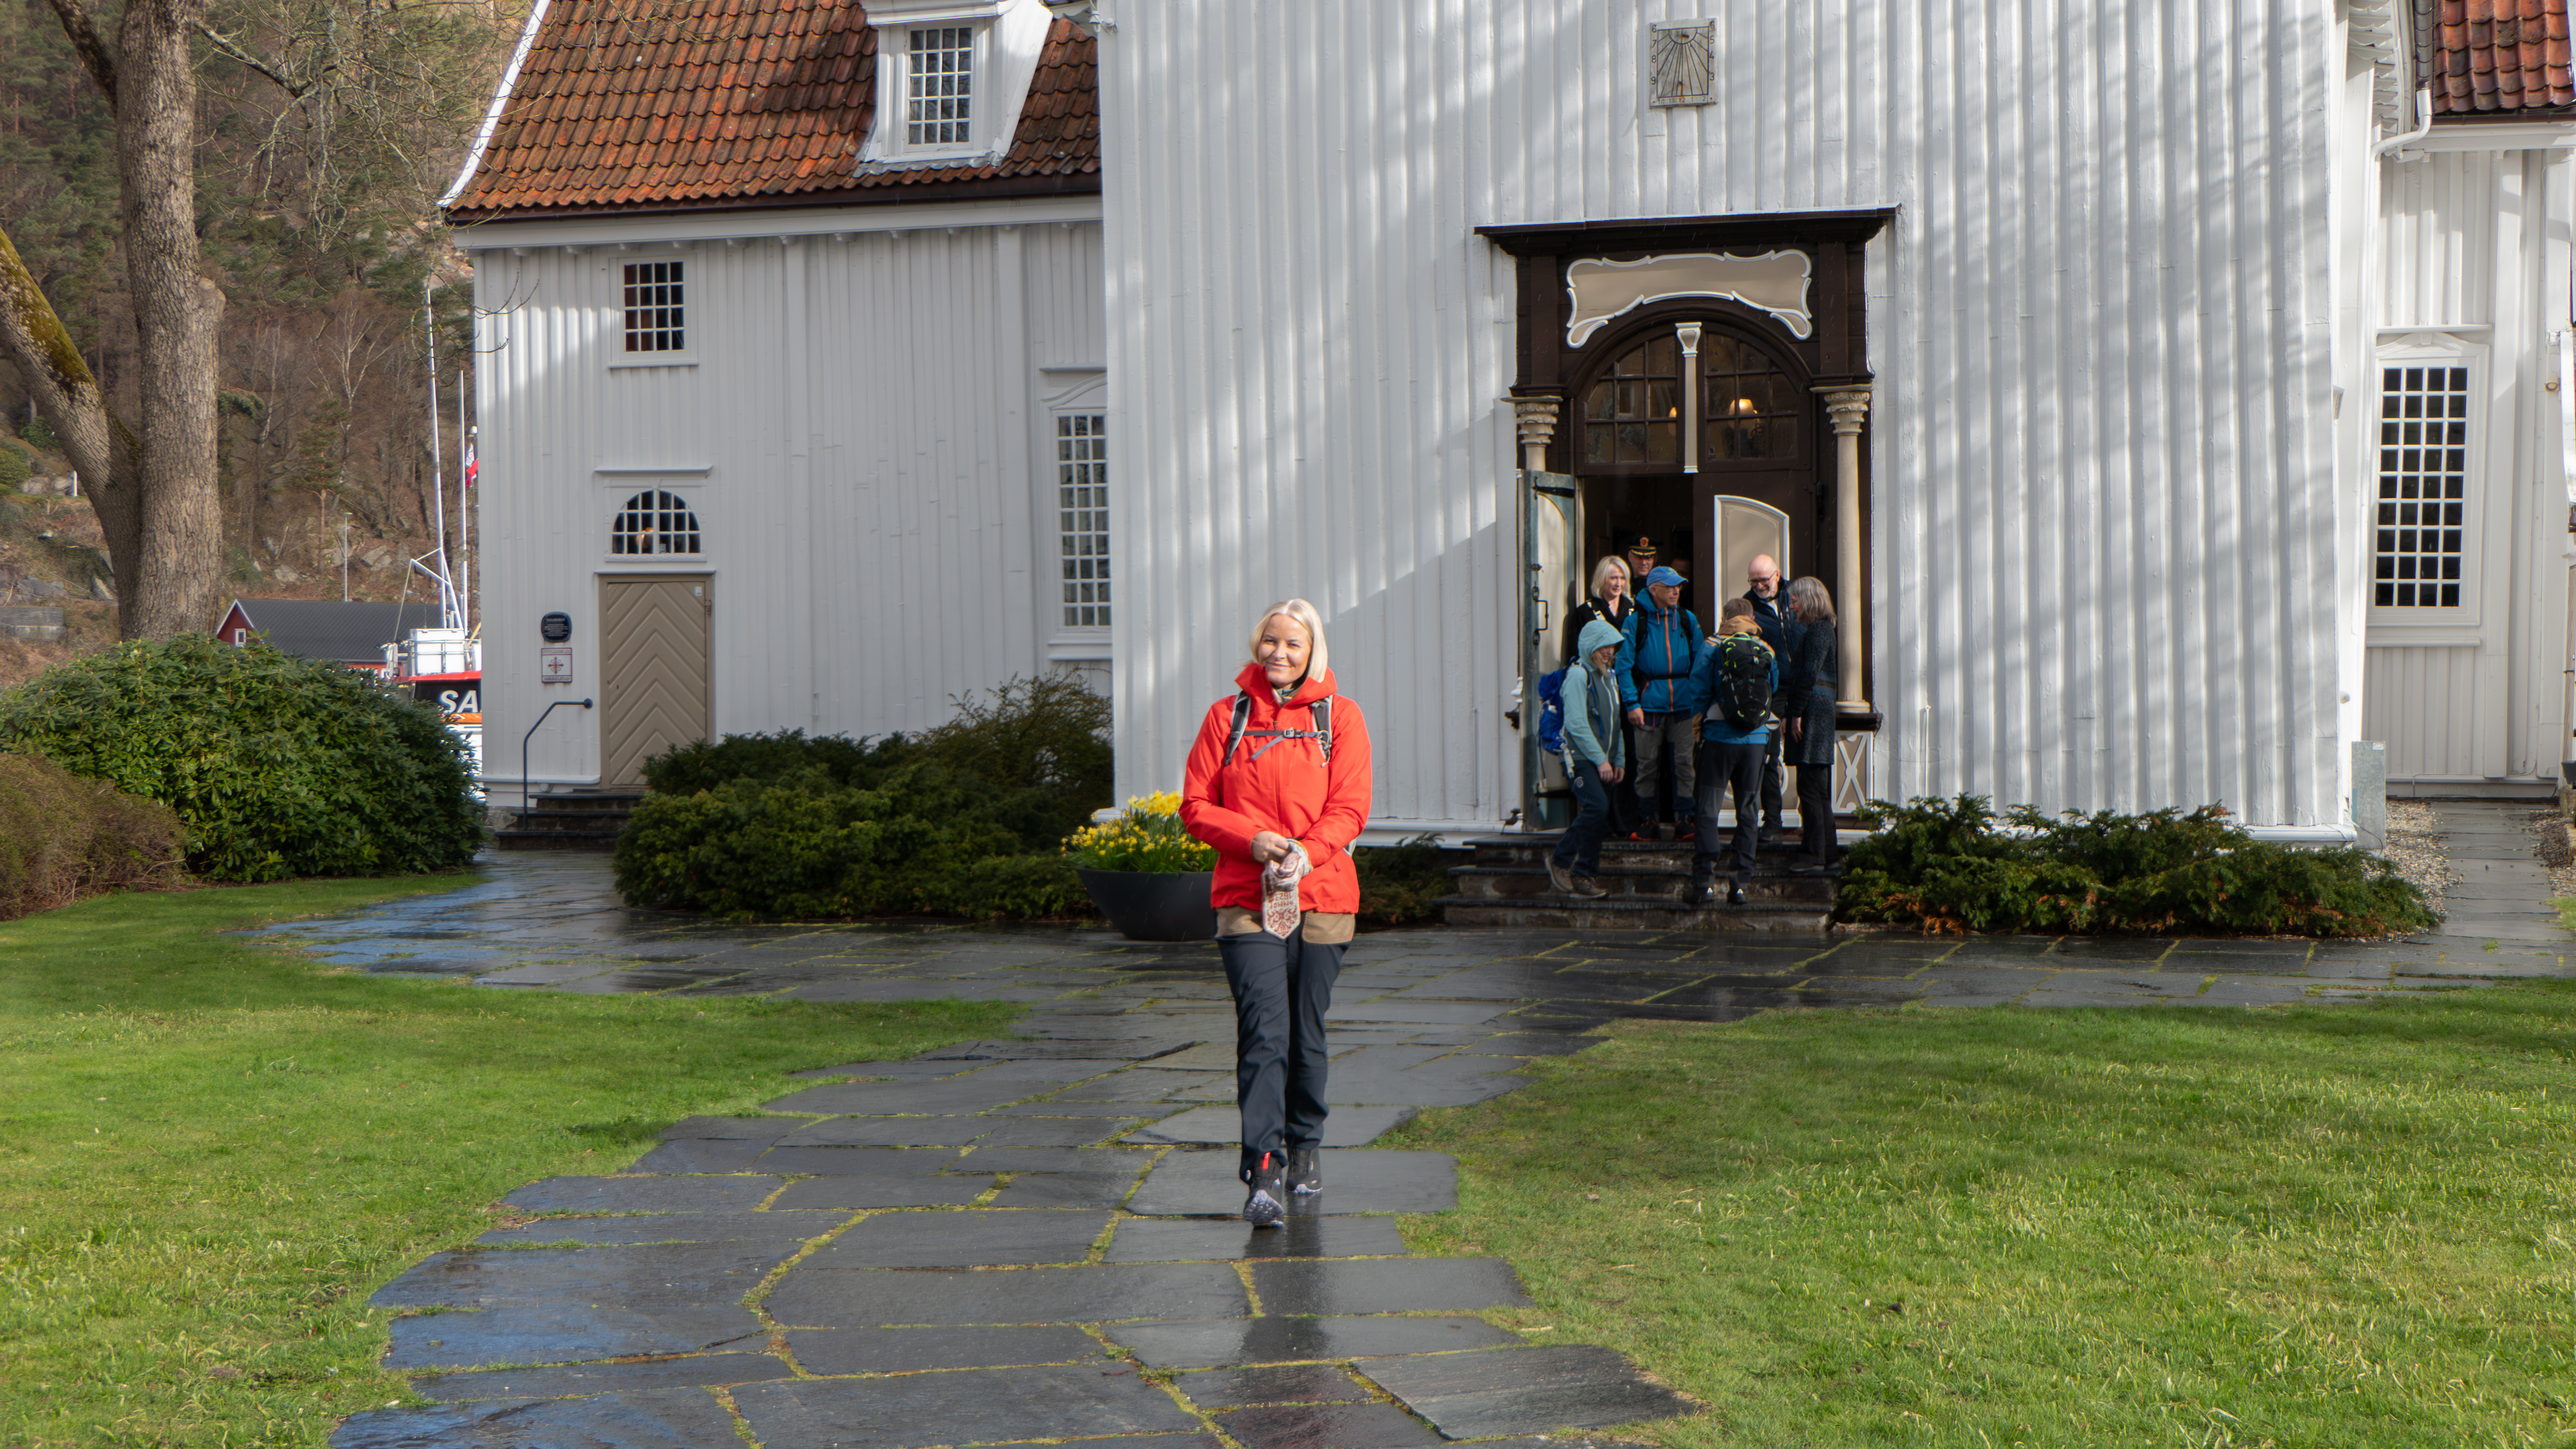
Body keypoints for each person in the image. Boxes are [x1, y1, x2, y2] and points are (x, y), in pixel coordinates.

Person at [1180, 598, 1373, 1227]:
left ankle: (1306, 1144)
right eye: (1270, 641)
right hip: (1246, 896)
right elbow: (1196, 806)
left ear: (1312, 648)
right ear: (1255, 645)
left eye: (1292, 643)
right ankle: (1263, 1165)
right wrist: (1255, 841)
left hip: (1322, 897)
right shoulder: (1225, 717)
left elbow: (1350, 807)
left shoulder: (1341, 718)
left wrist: (1305, 853)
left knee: (1305, 1032)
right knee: (1265, 1030)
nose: (1279, 654)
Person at [1682, 599, 1778, 906]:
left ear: (1725, 617)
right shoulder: (1765, 648)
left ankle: (1705, 883)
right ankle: (1740, 885)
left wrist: (1699, 731)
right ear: (1750, 617)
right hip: (1755, 741)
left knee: (1708, 811)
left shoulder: (1712, 646)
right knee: (1748, 812)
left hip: (1718, 741)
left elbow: (1697, 690)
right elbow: (1772, 690)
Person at [1616, 565, 1707, 841]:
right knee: (1647, 766)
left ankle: (1684, 820)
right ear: (1653, 589)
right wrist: (1632, 704)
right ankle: (1648, 820)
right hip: (1648, 707)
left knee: (1684, 765)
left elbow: (1702, 663)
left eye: (1678, 586)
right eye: (1669, 587)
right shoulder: (1635, 621)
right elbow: (1623, 666)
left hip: (1683, 706)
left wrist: (1698, 702)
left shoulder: (1687, 619)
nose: (1676, 591)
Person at [1549, 617, 1626, 900]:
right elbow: (1577, 724)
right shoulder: (1578, 676)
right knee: (1596, 808)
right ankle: (1562, 861)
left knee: (1598, 814)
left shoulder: (1608, 676)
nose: (1609, 652)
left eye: (1613, 646)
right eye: (1604, 646)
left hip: (1603, 761)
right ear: (1590, 646)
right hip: (1582, 758)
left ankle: (1585, 877)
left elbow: (1615, 722)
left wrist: (1618, 759)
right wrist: (1600, 759)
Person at [1562, 555, 1641, 834]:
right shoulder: (1586, 611)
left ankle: (1625, 822)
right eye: (1612, 578)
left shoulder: (1635, 610)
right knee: (1596, 755)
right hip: (1596, 692)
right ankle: (1599, 824)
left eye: (1622, 578)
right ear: (1601, 580)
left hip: (1626, 693)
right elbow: (1576, 654)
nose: (1618, 583)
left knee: (1625, 758)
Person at [1781, 576, 1840, 871]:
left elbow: (1808, 675)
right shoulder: (1822, 630)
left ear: (1809, 600)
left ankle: (1814, 855)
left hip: (1813, 712)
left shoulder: (1818, 630)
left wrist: (1795, 712)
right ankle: (1827, 854)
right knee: (1817, 786)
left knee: (1811, 787)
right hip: (1817, 710)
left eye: (1795, 600)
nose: (1792, 607)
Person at [1739, 555, 1792, 842]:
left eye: (1764, 580)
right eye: (1754, 581)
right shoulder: (1748, 606)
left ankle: (1816, 826)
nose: (1760, 586)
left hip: (1801, 689)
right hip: (1770, 691)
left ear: (1778, 574)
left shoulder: (1795, 595)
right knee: (1769, 757)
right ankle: (1772, 821)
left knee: (1811, 762)